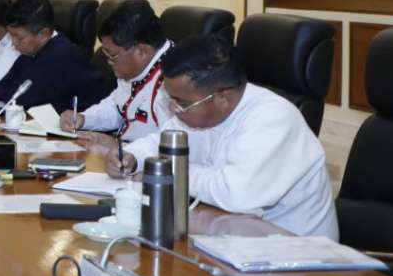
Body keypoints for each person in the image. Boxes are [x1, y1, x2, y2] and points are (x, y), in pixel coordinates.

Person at [110, 35, 337, 239]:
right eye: (170, 99)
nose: (173, 108)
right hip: (232, 235)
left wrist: (169, 171)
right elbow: (160, 142)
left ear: (223, 98)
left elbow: (236, 195)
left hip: (297, 252)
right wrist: (132, 156)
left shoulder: (273, 118)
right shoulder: (196, 112)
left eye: (181, 103)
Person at [62, 0, 172, 141]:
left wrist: (119, 148)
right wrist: (83, 119)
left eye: (112, 55)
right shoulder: (138, 68)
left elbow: (168, 144)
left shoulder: (175, 79)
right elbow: (117, 106)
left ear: (141, 51)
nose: (108, 61)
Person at [0, 0, 107, 110]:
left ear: (43, 34)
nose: (14, 43)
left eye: (19, 38)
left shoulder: (60, 57)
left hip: (78, 124)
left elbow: (23, 100)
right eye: (11, 36)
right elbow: (6, 83)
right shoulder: (32, 51)